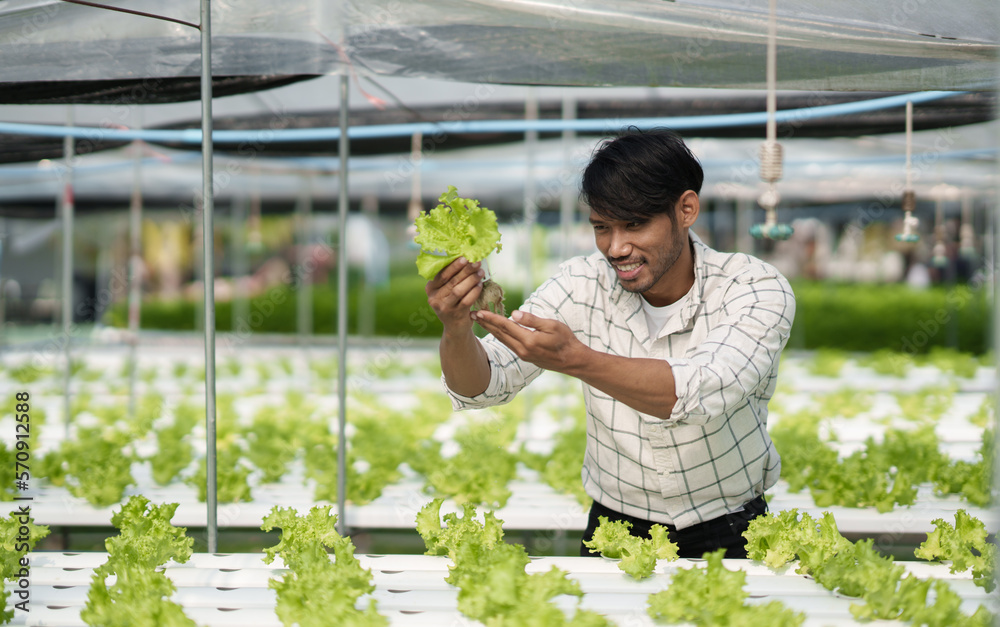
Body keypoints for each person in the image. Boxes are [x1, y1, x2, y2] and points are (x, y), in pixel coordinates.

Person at [424, 127, 795, 559]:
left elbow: (702, 389)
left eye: (635, 223)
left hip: (732, 528)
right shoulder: (581, 282)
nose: (616, 247)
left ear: (687, 209)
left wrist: (576, 360)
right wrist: (456, 329)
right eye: (602, 228)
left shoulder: (754, 287)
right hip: (614, 528)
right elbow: (484, 386)